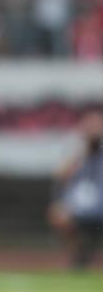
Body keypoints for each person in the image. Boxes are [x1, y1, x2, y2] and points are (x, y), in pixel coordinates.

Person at [49, 111, 103, 270]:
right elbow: (61, 176)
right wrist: (80, 153)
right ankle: (79, 254)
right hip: (81, 208)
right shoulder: (78, 155)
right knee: (58, 215)